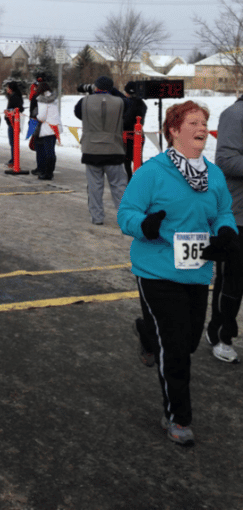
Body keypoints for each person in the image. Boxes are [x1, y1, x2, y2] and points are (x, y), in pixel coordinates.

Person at [118, 100, 238, 446]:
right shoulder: (152, 172)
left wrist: (226, 233)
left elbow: (222, 213)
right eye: (194, 123)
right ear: (174, 129)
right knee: (174, 349)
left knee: (186, 343)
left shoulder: (212, 174)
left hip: (197, 273)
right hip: (156, 272)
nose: (202, 128)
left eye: (204, 122)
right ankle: (178, 417)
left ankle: (146, 332)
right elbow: (126, 214)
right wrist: (146, 225)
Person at [206, 93, 243, 363]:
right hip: (237, 216)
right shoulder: (235, 114)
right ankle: (221, 335)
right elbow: (226, 160)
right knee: (233, 280)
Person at [74, 75, 127, 225]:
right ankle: (124, 218)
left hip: (92, 150)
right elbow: (128, 104)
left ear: (95, 87)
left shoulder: (83, 102)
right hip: (114, 149)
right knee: (118, 186)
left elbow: (79, 114)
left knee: (94, 186)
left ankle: (97, 217)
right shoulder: (120, 102)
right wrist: (113, 92)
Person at [32, 77, 61, 181]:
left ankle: (48, 174)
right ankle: (50, 171)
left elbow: (42, 116)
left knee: (48, 152)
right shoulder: (54, 98)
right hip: (55, 127)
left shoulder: (42, 100)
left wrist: (37, 115)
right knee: (51, 151)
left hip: (47, 128)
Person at [123, 81, 147, 180]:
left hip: (127, 135)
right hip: (139, 135)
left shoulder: (125, 103)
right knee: (137, 159)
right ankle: (141, 181)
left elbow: (125, 120)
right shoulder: (142, 104)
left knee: (126, 161)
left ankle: (129, 182)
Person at [4, 80, 24, 168]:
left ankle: (14, 160)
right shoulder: (13, 96)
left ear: (11, 89)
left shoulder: (14, 97)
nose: (6, 89)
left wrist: (8, 113)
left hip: (13, 123)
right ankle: (13, 159)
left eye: (8, 88)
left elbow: (17, 109)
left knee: (13, 142)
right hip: (12, 122)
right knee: (13, 142)